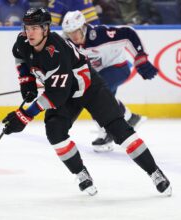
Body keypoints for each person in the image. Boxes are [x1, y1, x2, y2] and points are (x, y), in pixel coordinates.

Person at [2, 7, 172, 196]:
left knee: (120, 131)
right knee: (54, 131)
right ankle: (81, 173)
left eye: (35, 28)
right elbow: (20, 57)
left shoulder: (56, 50)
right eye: (27, 27)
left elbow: (56, 95)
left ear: (46, 29)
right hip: (66, 93)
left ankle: (154, 172)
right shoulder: (22, 42)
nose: (29, 32)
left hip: (90, 89)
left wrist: (25, 115)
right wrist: (27, 80)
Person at [61, 10, 157, 152]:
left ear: (83, 27)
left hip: (118, 68)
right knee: (95, 99)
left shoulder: (100, 34)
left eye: (76, 31)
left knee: (92, 93)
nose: (73, 36)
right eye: (70, 33)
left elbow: (128, 33)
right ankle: (128, 118)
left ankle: (117, 125)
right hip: (97, 75)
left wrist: (140, 56)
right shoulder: (67, 43)